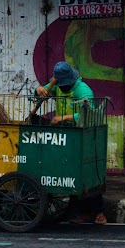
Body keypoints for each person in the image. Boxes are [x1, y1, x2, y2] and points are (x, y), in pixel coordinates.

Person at [35, 61, 107, 225]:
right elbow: (41, 92)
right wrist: (38, 89)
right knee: (70, 175)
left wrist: (65, 118)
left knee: (87, 175)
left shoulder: (83, 90)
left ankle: (99, 212)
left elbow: (90, 114)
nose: (63, 87)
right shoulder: (57, 85)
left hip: (83, 135)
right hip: (65, 136)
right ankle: (82, 213)